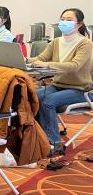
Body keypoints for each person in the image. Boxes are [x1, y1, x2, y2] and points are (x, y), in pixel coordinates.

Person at [28, 8, 93, 155]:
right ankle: (38, 137)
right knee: (32, 96)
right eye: (62, 19)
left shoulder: (85, 43)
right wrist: (21, 59)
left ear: (79, 24)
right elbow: (40, 59)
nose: (64, 22)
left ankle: (53, 142)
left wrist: (46, 64)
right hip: (58, 85)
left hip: (81, 89)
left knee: (48, 101)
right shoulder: (56, 41)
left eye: (69, 20)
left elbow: (74, 66)